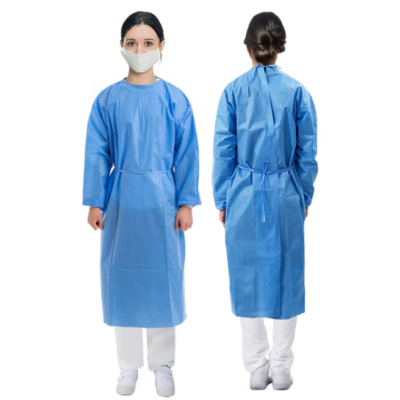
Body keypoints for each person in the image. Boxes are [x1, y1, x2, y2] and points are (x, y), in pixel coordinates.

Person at [82, 11, 201, 397]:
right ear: (121, 46)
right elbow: (97, 153)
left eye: (148, 43)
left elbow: (187, 154)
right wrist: (95, 201)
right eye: (132, 43)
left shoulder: (175, 100)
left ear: (161, 47)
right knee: (125, 284)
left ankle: (163, 365)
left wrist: (186, 202)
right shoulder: (107, 100)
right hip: (121, 202)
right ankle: (128, 366)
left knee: (163, 281)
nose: (140, 50)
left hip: (163, 204)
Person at [212, 12, 318, 391]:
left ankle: (257, 368)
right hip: (286, 193)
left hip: (243, 193)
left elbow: (224, 151)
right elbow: (307, 153)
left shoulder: (233, 92)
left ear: (248, 49)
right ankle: (282, 367)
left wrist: (223, 199)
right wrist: (303, 193)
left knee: (247, 279)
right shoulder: (298, 92)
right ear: (279, 48)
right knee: (287, 278)